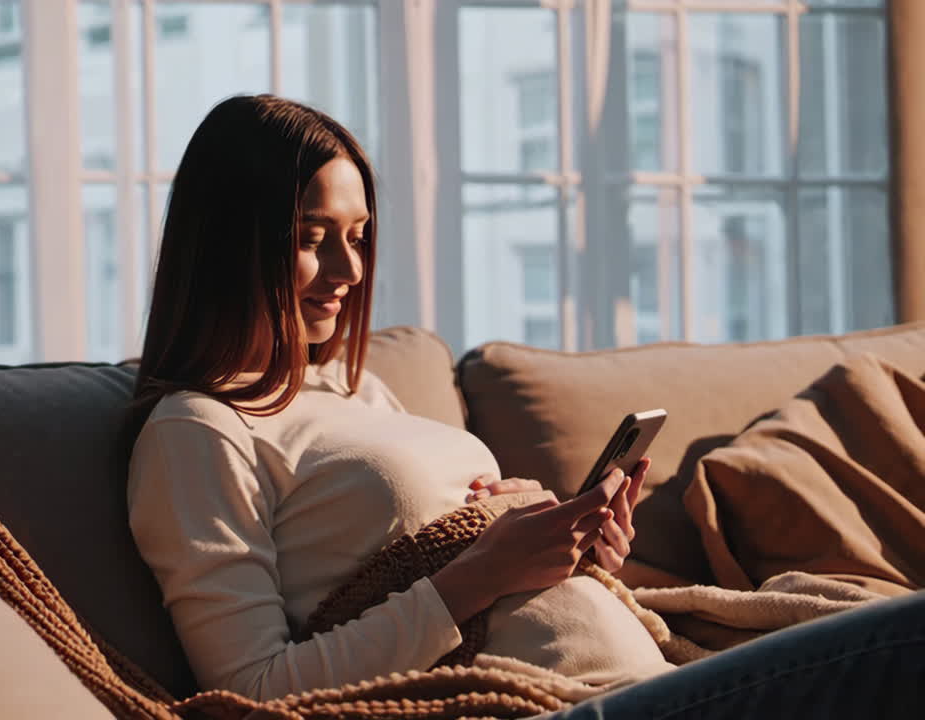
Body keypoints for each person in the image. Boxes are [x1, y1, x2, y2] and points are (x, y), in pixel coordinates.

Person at [125, 94, 925, 715]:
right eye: (311, 236)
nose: (350, 268)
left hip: (646, 678)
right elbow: (256, 693)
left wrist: (578, 549)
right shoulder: (198, 433)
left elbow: (454, 556)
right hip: (556, 705)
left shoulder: (357, 391)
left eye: (359, 235)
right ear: (232, 242)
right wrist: (481, 572)